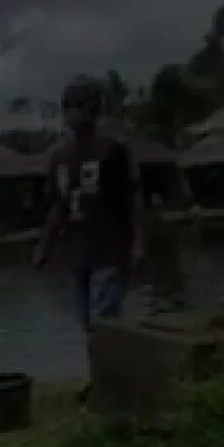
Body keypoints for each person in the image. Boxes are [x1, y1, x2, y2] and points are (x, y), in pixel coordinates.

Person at [32, 75, 145, 400]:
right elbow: (57, 207)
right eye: (69, 106)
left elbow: (133, 197)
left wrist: (138, 243)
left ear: (95, 109)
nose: (74, 113)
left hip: (110, 248)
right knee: (86, 322)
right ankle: (108, 379)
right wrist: (44, 247)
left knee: (103, 319)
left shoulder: (114, 150)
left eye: (80, 105)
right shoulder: (59, 158)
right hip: (77, 253)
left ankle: (110, 384)